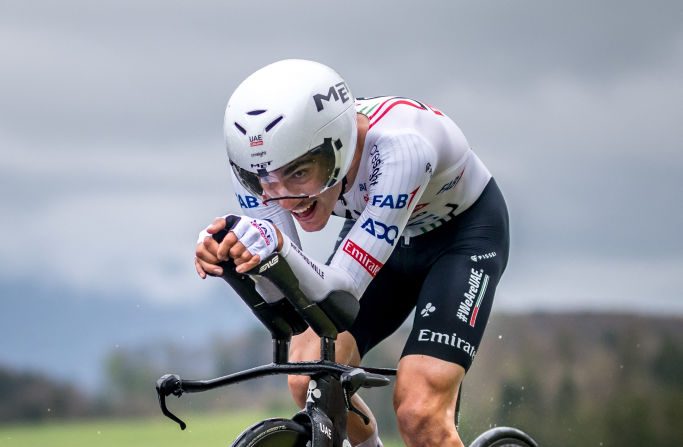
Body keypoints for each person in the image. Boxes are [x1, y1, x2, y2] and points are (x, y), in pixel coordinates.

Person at [195, 59, 509, 447]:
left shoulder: (401, 149)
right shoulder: (259, 164)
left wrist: (272, 245)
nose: (283, 198)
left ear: (338, 149)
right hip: (384, 232)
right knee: (307, 374)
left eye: (298, 172)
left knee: (419, 412)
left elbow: (339, 294)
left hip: (460, 239)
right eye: (264, 180)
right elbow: (286, 303)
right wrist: (236, 259)